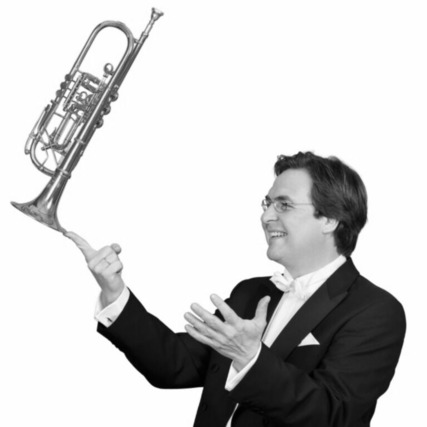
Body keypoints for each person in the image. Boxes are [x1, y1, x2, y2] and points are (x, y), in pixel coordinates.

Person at [66, 151, 406, 427]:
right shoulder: (250, 293)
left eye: (284, 205)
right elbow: (174, 365)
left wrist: (250, 358)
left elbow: (332, 416)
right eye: (267, 203)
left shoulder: (375, 311)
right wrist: (114, 292)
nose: (266, 216)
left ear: (330, 219)